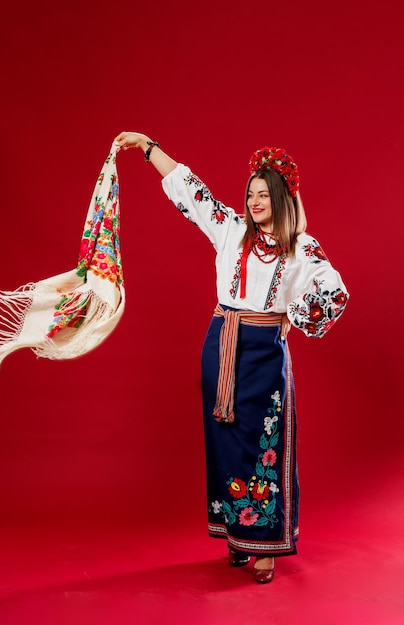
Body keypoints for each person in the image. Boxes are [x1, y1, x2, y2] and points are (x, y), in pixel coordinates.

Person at [113, 131, 349, 584]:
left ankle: (266, 547)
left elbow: (334, 291)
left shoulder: (302, 247)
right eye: (251, 194)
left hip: (263, 353)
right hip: (221, 344)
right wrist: (148, 148)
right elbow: (191, 189)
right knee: (224, 441)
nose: (255, 201)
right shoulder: (230, 229)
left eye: (264, 194)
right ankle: (237, 538)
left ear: (281, 197)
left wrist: (292, 316)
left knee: (264, 444)